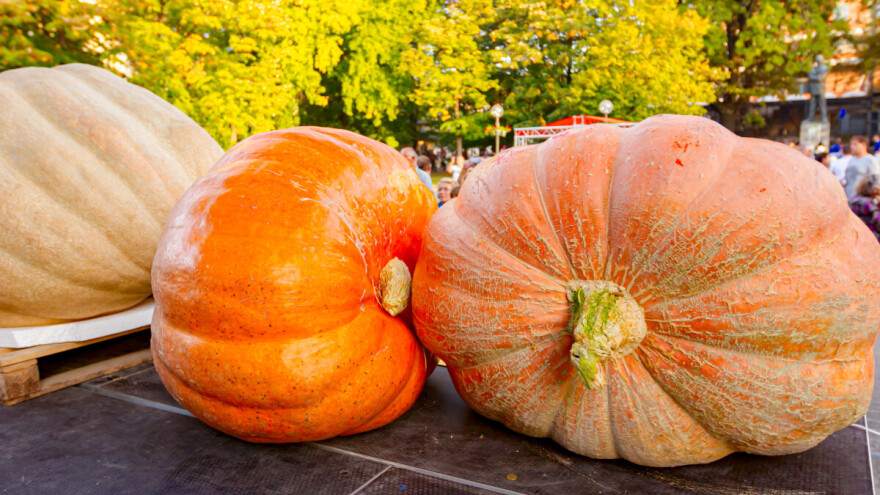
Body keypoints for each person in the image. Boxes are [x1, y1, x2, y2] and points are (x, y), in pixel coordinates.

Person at [849, 174, 880, 242]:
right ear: (875, 189)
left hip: (853, 235)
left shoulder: (854, 199)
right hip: (867, 239)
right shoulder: (869, 204)